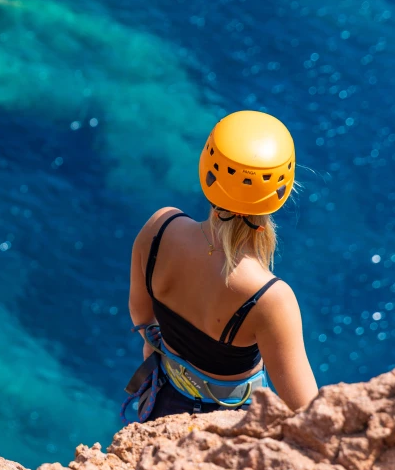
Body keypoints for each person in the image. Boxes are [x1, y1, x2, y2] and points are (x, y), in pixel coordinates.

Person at [125, 110, 318, 421]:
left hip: (160, 405)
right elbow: (308, 410)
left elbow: (143, 320)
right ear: (283, 190)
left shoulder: (159, 229)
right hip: (230, 427)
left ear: (207, 169)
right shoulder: (270, 297)